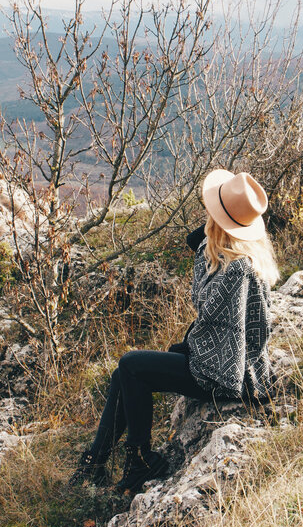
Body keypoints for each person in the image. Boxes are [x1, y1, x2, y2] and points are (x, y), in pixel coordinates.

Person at [70, 169, 279, 494]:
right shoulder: (235, 254)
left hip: (225, 375)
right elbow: (194, 242)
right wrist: (219, 220)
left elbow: (222, 328)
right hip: (219, 361)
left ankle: (138, 461)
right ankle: (95, 462)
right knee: (124, 374)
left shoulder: (237, 272)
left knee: (132, 366)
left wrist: (217, 219)